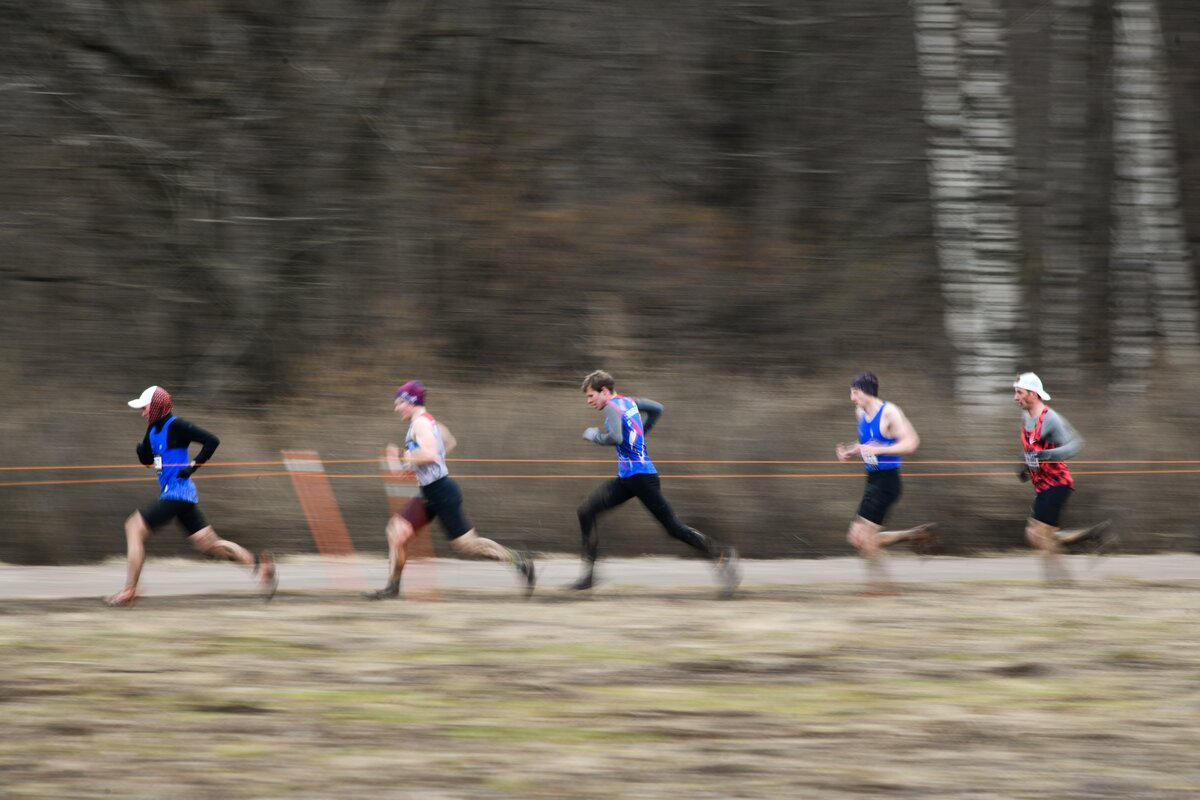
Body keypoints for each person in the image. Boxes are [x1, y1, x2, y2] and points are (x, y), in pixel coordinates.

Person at [572, 370, 740, 598]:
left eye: (591, 395)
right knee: (586, 511)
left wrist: (594, 436)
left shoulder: (612, 407)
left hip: (641, 478)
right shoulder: (629, 402)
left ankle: (722, 556)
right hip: (629, 479)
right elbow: (657, 408)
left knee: (674, 528)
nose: (589, 401)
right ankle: (588, 577)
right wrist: (641, 432)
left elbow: (616, 438)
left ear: (604, 391)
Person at [105, 386, 276, 606]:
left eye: (145, 408)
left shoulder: (177, 426)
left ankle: (130, 590)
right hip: (179, 495)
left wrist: (193, 466)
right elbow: (150, 462)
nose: (143, 413)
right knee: (209, 544)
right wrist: (142, 454)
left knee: (133, 527)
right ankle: (259, 567)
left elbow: (212, 440)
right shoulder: (152, 431)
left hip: (176, 493)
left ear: (157, 407)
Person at [365, 381, 536, 599]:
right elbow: (448, 442)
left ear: (410, 401)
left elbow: (429, 453)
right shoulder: (429, 422)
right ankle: (392, 588)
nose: (396, 407)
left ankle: (518, 560)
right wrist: (407, 463)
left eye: (399, 402)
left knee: (468, 545)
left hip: (442, 492)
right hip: (429, 492)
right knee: (396, 533)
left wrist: (406, 457)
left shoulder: (420, 424)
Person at [835, 372, 936, 594]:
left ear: (867, 392)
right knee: (857, 538)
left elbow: (911, 443)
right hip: (872, 481)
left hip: (888, 481)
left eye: (855, 392)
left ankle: (881, 589)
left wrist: (880, 449)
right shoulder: (860, 412)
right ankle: (914, 535)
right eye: (851, 392)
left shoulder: (890, 412)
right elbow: (867, 444)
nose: (852, 398)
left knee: (863, 538)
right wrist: (851, 452)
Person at [1012, 372, 1112, 583]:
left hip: (1057, 484)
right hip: (1042, 485)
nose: (1015, 397)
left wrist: (1045, 456)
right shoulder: (1026, 417)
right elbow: (1033, 449)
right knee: (1034, 536)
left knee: (1041, 534)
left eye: (1019, 392)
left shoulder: (1050, 418)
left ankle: (1059, 582)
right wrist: (1024, 465)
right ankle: (1090, 536)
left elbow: (1075, 445)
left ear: (1032, 394)